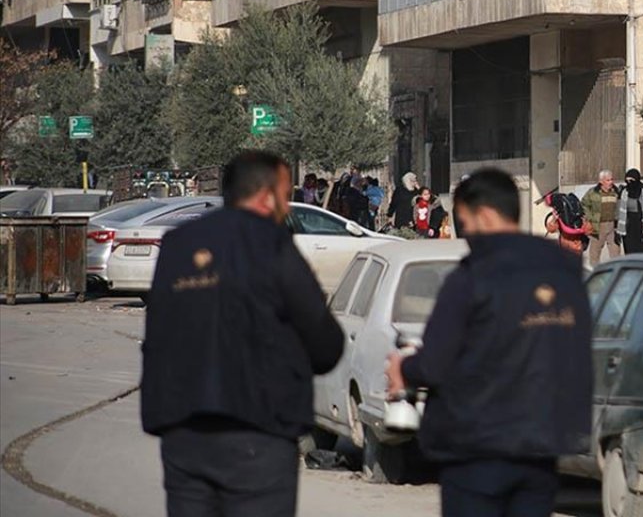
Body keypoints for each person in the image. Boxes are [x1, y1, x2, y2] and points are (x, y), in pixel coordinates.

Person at [141, 150, 344, 516]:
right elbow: (323, 339)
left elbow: (159, 332)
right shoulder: (270, 242)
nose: (288, 206)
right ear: (267, 197)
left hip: (183, 432)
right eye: (286, 196)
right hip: (257, 433)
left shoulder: (178, 244)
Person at [385, 169, 591, 517]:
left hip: (477, 446)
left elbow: (435, 363)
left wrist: (402, 367)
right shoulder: (566, 272)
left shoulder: (473, 275)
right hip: (543, 444)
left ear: (484, 214)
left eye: (463, 222)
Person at [582, 170, 622, 264]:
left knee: (616, 252)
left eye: (612, 179)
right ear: (601, 181)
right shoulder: (593, 192)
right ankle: (595, 273)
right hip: (598, 226)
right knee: (595, 253)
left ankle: (615, 272)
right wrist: (590, 218)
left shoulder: (616, 192)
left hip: (613, 226)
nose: (611, 182)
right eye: (608, 180)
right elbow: (584, 204)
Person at [618, 168, 643, 254]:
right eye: (627, 180)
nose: (629, 182)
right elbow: (619, 209)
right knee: (631, 250)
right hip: (629, 227)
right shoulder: (624, 192)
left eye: (632, 180)